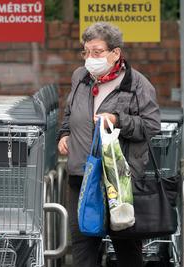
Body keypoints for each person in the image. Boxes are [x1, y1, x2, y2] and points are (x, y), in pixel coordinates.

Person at [57, 22, 161, 267]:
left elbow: (151, 126)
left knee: (126, 246)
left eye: (97, 52)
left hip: (118, 180)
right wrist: (64, 134)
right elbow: (70, 112)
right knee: (83, 246)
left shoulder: (137, 84)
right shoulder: (80, 77)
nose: (90, 58)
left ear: (115, 53)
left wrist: (118, 120)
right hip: (82, 176)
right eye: (86, 52)